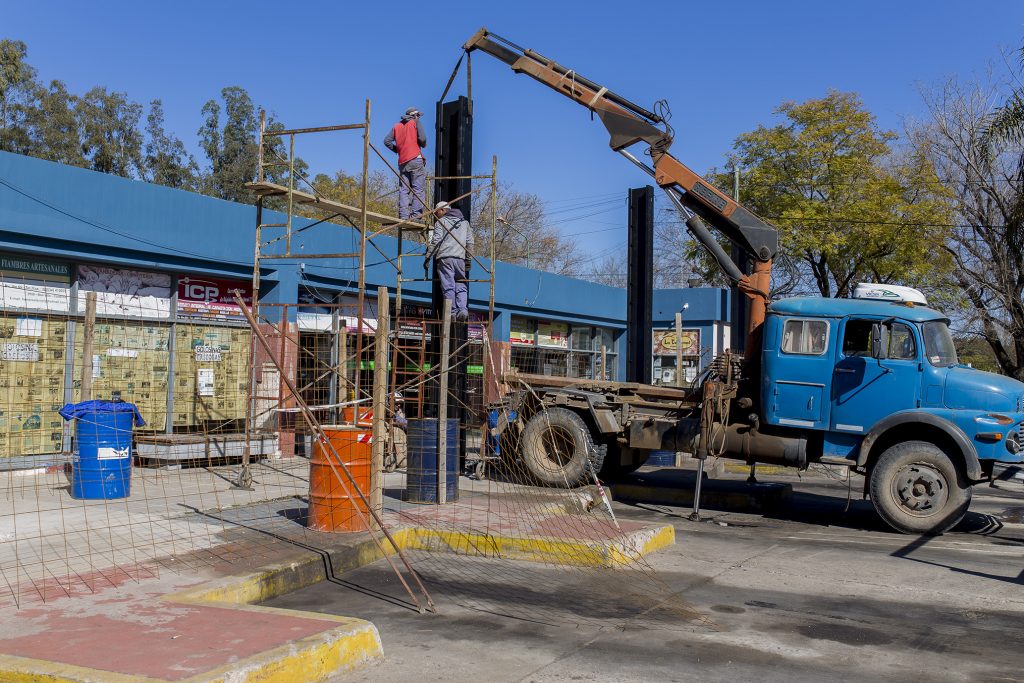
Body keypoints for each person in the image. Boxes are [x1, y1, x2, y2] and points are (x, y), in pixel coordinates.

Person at [426, 200, 473, 320]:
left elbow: (436, 241)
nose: (436, 216)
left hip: (445, 258)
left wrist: (428, 257)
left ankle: (451, 312)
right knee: (461, 284)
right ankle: (462, 310)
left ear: (442, 210)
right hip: (460, 259)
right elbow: (470, 243)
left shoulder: (441, 222)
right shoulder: (465, 223)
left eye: (436, 213)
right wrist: (468, 260)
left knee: (448, 286)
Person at [383, 107, 427, 221]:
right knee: (418, 189)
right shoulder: (415, 122)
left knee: (404, 190)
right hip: (415, 159)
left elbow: (386, 141)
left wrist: (398, 150)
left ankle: (403, 216)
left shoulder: (396, 126)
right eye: (419, 115)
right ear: (415, 115)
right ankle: (416, 217)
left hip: (403, 162)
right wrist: (422, 143)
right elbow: (423, 139)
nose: (419, 117)